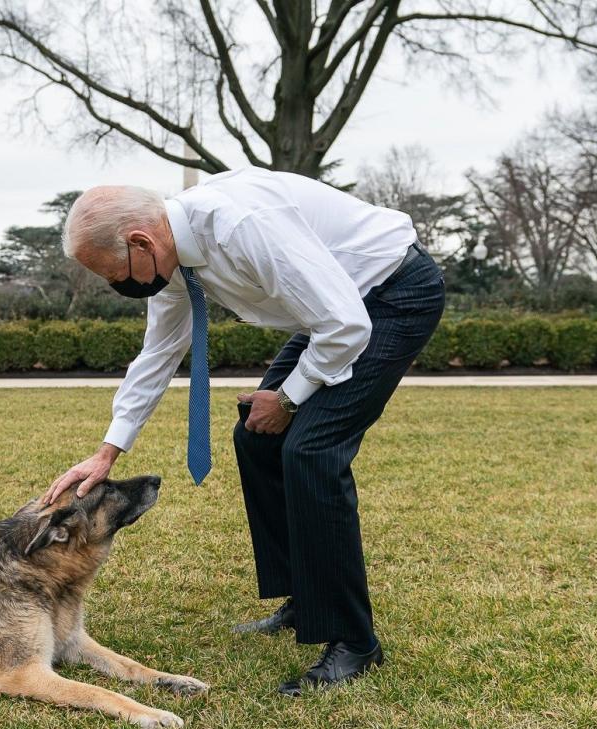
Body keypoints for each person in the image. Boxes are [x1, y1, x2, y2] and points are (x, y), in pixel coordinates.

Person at [43, 167, 445, 695]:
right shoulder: (171, 262)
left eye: (114, 274)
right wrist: (107, 454)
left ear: (140, 241)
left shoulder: (241, 226)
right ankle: (306, 598)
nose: (118, 286)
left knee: (311, 451)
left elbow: (347, 325)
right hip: (334, 310)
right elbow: (159, 353)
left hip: (390, 297)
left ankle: (354, 641)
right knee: (258, 438)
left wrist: (288, 398)